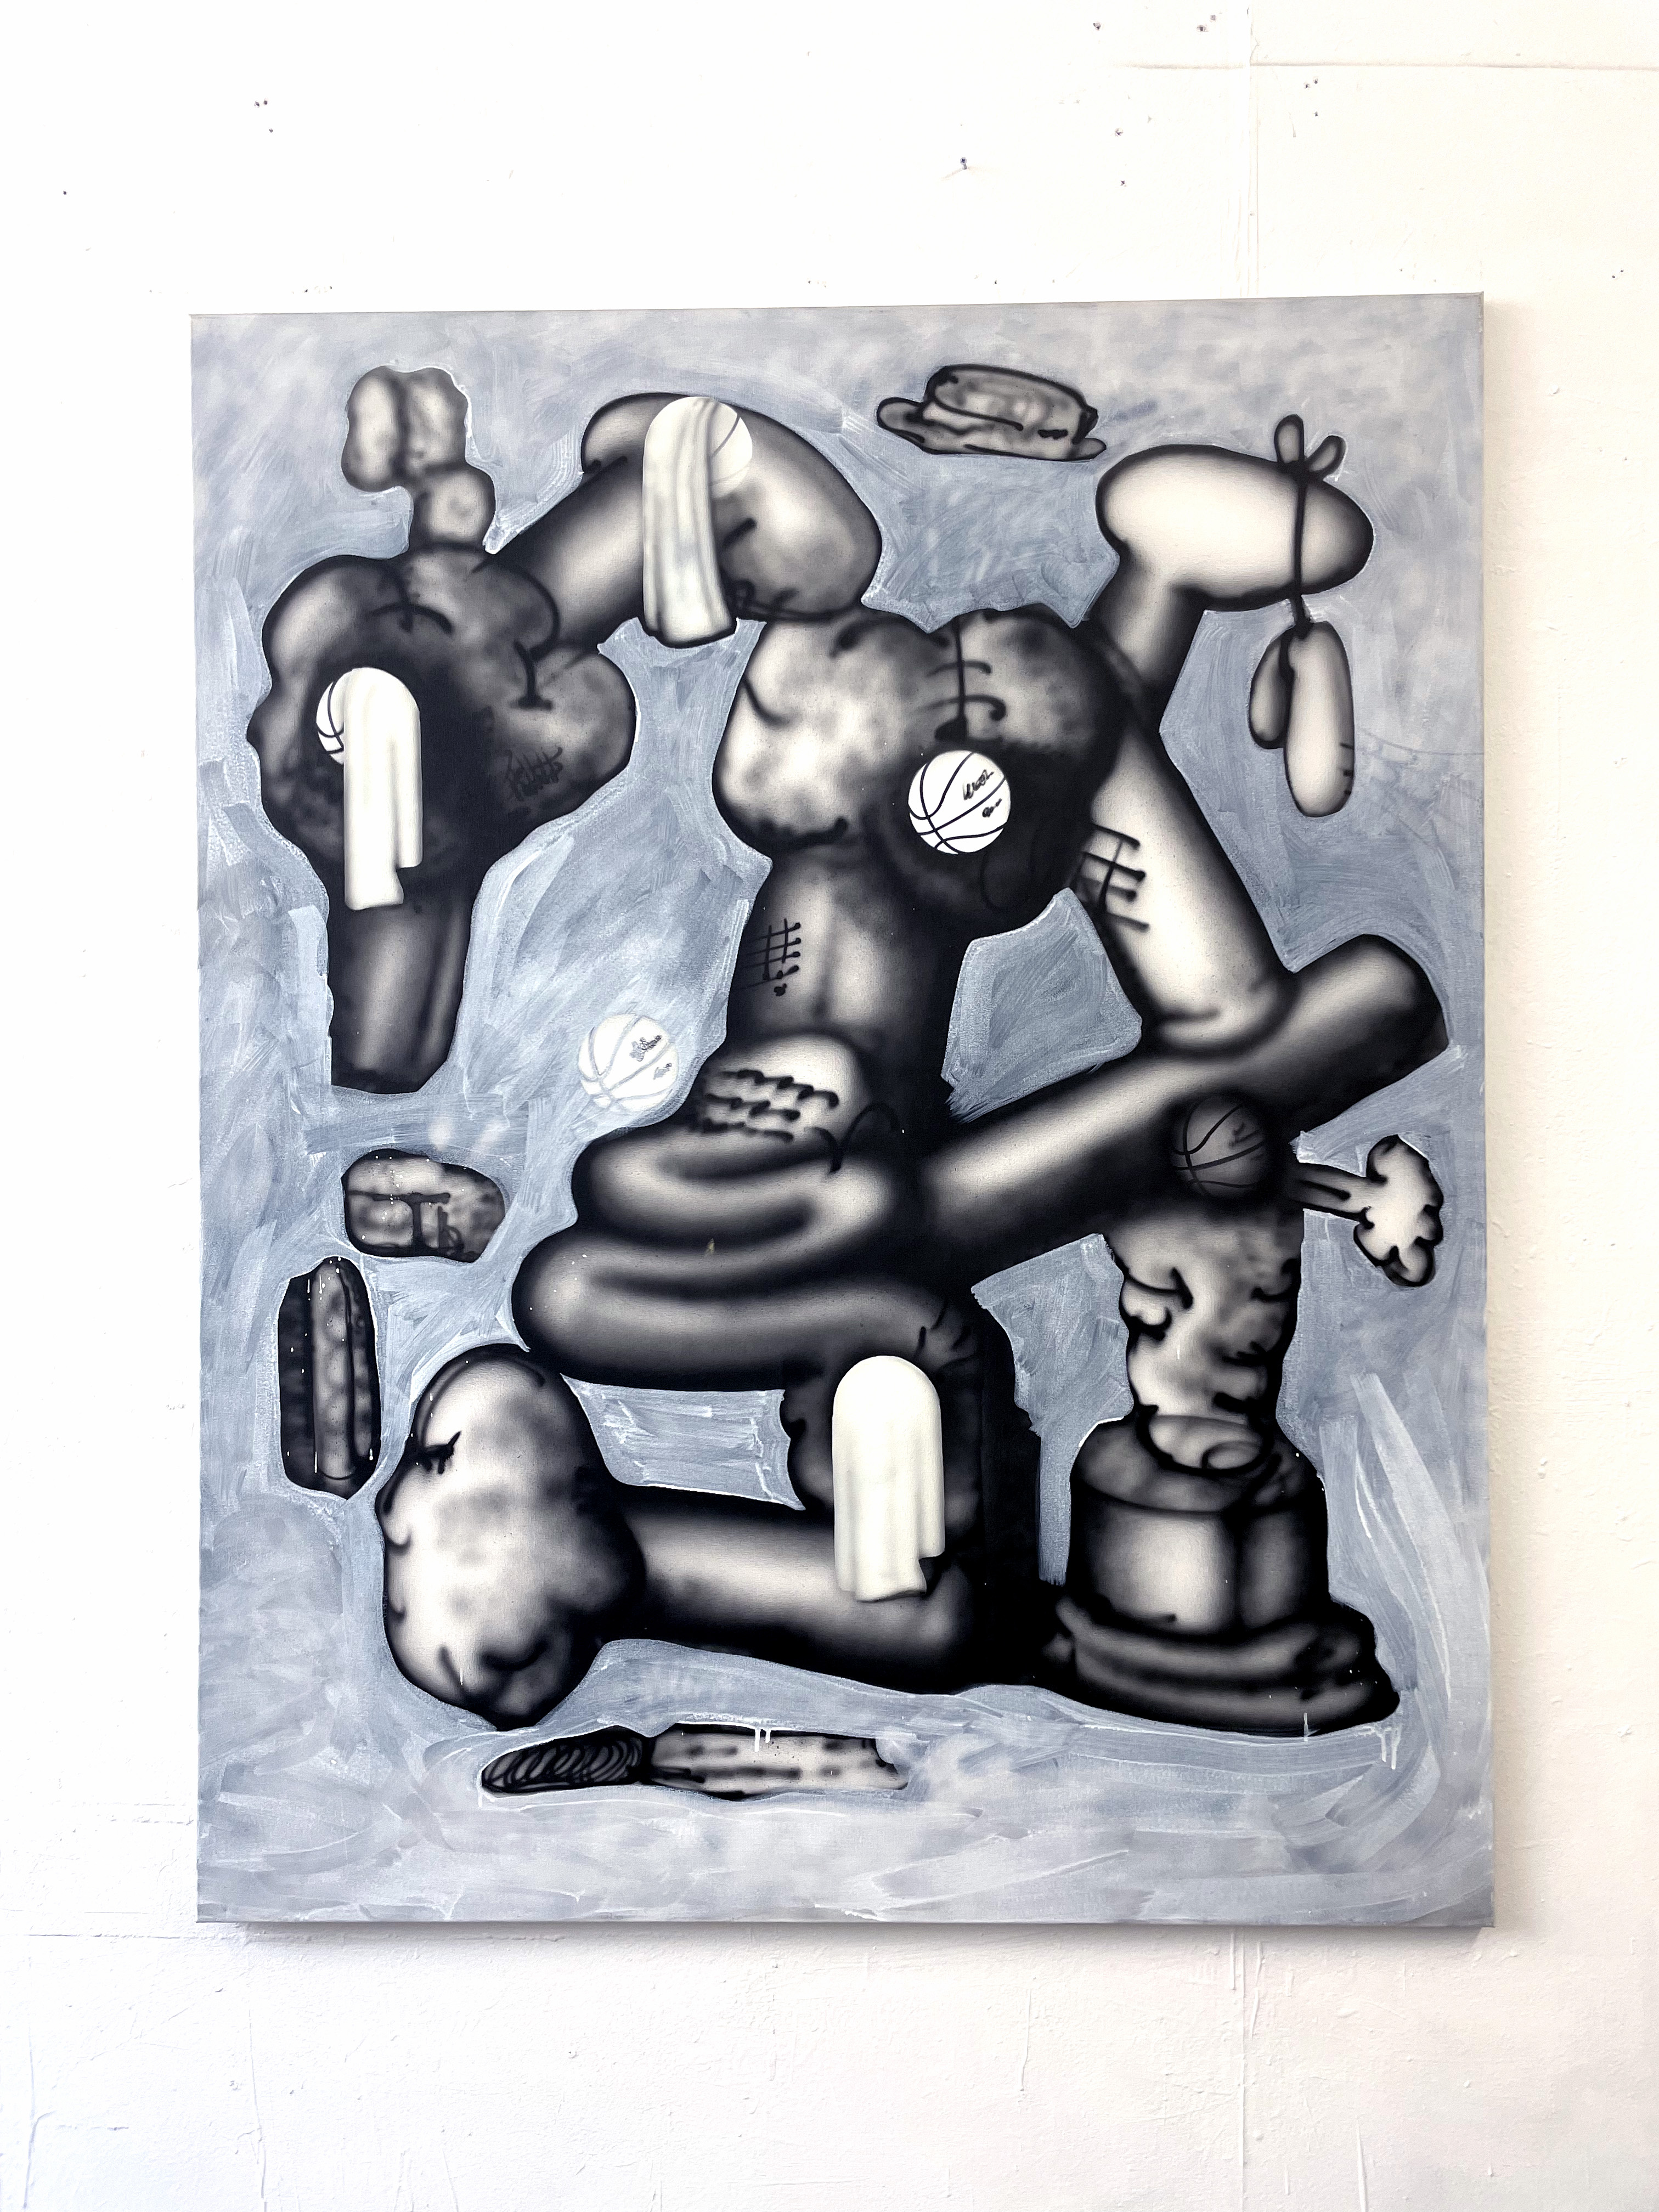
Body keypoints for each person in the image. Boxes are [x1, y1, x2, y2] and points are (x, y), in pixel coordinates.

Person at [364, 384, 1445, 1733]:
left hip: (873, 1225)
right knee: (635, 1304)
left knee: (910, 1478)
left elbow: (1188, 977)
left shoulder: (941, 783)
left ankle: (691, 1553)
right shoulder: (872, 783)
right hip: (835, 1227)